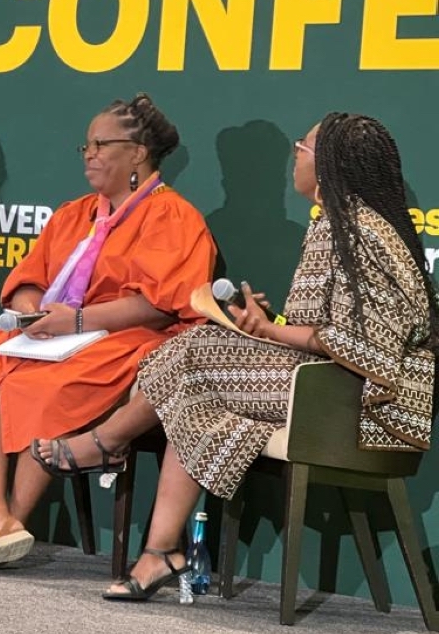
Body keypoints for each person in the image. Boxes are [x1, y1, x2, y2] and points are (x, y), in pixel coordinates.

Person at [35, 112, 438, 600]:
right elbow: (334, 332)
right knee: (192, 385)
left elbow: (368, 348)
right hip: (328, 388)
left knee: (193, 353)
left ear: (329, 163)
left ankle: (107, 443)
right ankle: (160, 552)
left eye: (302, 147)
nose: (294, 155)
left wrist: (271, 331)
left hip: (360, 409)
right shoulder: (340, 224)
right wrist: (267, 325)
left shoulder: (356, 231)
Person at [0, 94, 218, 573]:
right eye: (86, 145)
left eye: (101, 144)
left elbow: (158, 304)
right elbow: (29, 280)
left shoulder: (172, 215)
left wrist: (78, 322)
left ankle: (13, 519)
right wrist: (31, 311)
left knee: (47, 383)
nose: (89, 154)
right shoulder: (76, 213)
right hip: (58, 334)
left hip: (129, 338)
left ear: (138, 153)